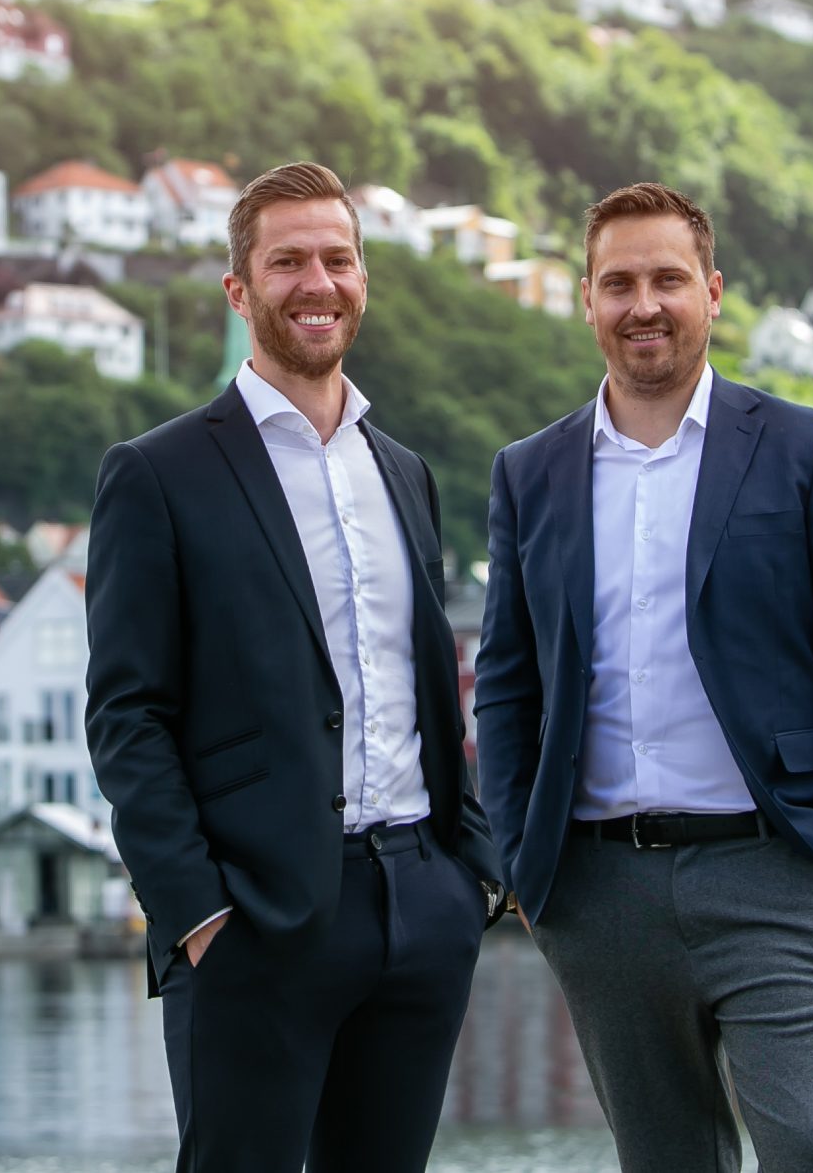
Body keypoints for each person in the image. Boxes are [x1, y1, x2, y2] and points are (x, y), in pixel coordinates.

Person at [474, 181, 813, 1173]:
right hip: (598, 890)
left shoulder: (803, 449)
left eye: (667, 279)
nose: (644, 303)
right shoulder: (528, 473)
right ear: (586, 300)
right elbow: (505, 681)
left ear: (711, 293)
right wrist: (524, 866)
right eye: (618, 282)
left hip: (780, 869)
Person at [86, 160, 505, 1173]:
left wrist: (471, 875)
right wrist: (197, 912)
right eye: (287, 262)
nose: (316, 283)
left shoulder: (403, 472)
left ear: (363, 277)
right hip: (253, 919)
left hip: (419, 906)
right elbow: (125, 715)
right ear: (239, 290)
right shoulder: (158, 473)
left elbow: (435, 689)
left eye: (337, 258)